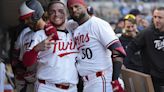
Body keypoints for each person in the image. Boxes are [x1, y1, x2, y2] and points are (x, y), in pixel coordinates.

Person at [67, 0, 126, 92]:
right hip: (87, 82)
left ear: (85, 6)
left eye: (77, 6)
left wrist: (115, 80)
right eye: (70, 8)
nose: (74, 10)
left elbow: (118, 51)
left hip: (102, 79)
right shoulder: (73, 26)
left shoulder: (97, 24)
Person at [23, 1, 79, 92]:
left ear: (66, 13)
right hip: (47, 87)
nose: (56, 14)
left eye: (60, 11)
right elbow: (26, 62)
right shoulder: (40, 35)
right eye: (52, 12)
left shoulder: (74, 31)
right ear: (48, 15)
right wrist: (36, 49)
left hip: (72, 88)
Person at [126, 7, 164, 92]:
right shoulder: (146, 33)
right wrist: (122, 63)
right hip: (153, 80)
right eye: (154, 17)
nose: (156, 20)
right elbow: (131, 48)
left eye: (160, 17)